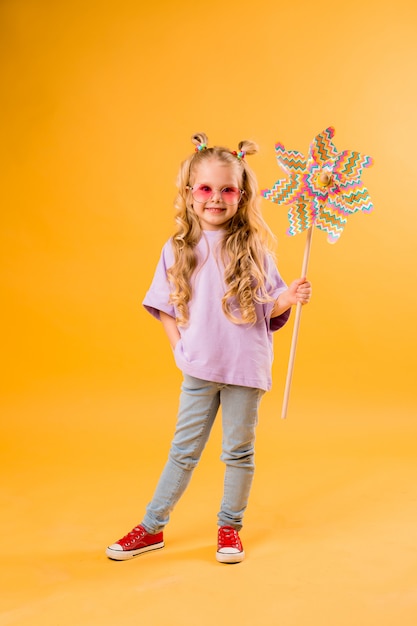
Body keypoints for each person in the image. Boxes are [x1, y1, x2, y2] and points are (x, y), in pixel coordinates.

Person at [106, 133, 312, 564]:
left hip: (244, 367)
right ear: (189, 193)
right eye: (206, 188)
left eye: (227, 190)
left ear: (241, 195)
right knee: (183, 452)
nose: (216, 198)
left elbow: (268, 306)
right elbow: (163, 305)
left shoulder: (256, 249)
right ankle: (151, 526)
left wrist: (289, 297)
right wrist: (178, 349)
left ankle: (229, 527)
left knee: (239, 452)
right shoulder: (177, 248)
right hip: (199, 366)